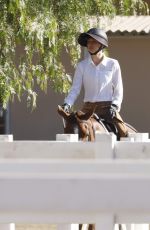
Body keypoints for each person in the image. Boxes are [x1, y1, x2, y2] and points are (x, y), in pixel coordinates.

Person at [62, 28, 128, 138]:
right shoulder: (81, 66)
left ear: (101, 45)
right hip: (87, 109)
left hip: (108, 109)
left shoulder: (113, 64)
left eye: (94, 42)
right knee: (71, 128)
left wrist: (115, 106)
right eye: (88, 42)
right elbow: (75, 89)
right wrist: (67, 103)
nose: (90, 44)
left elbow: (118, 89)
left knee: (123, 133)